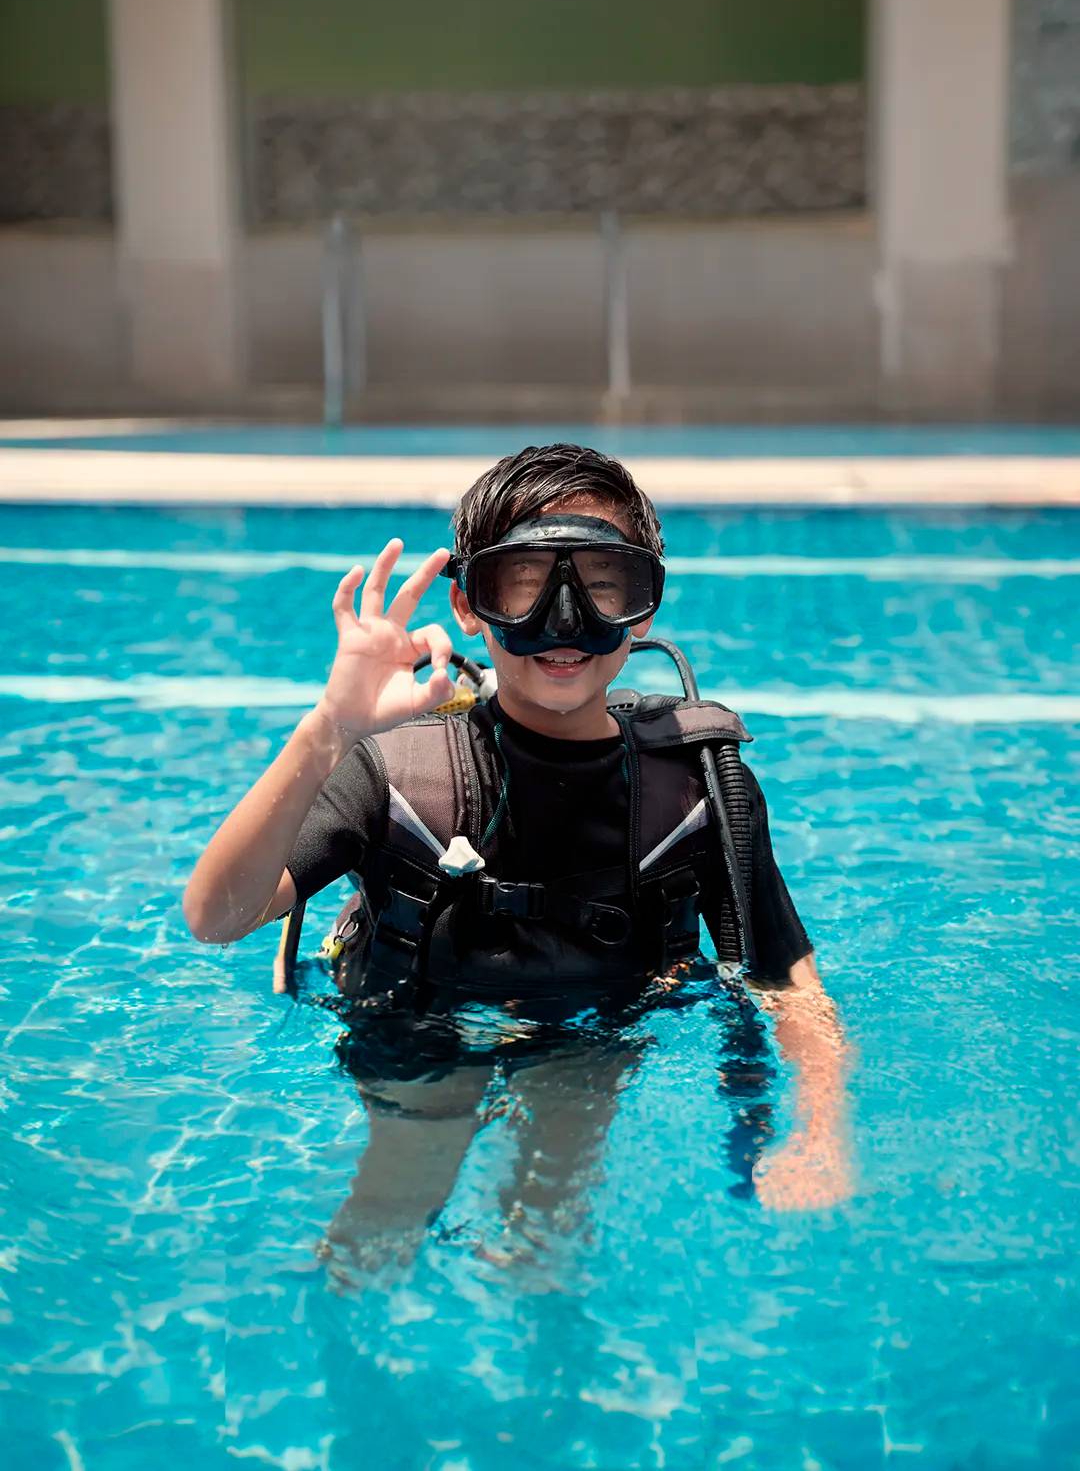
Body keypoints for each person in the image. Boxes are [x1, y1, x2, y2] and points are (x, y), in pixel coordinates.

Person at [184, 444, 852, 1235]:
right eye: (525, 585)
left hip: (593, 1033)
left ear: (643, 607)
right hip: (415, 1026)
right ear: (471, 606)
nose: (563, 624)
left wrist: (821, 1134)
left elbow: (790, 981)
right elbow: (216, 918)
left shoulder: (695, 786)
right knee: (392, 1204)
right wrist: (328, 731)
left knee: (549, 1221)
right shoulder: (401, 769)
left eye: (602, 585)